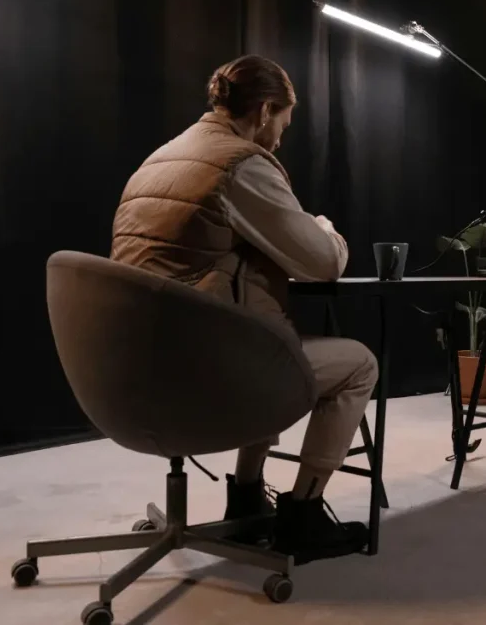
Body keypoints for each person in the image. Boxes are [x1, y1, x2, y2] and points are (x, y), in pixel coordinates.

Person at [110, 55, 375, 564]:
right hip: (206, 378)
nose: (279, 140)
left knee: (258, 336)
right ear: (264, 110)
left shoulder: (161, 158)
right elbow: (322, 265)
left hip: (132, 373)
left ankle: (247, 498)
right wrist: (324, 230)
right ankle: (302, 515)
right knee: (358, 363)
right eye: (281, 125)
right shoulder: (239, 164)